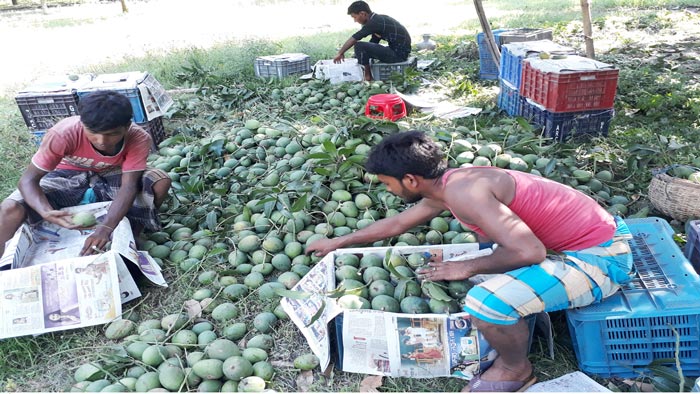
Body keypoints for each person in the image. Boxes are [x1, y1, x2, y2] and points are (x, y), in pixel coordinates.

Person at [307, 131, 634, 392]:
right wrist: (339, 242)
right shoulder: (450, 185)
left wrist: (469, 267)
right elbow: (397, 225)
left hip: (601, 258)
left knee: (482, 301)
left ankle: (516, 369)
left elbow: (530, 253)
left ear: (409, 180)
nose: (386, 189)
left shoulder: (466, 193)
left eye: (386, 182)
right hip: (584, 243)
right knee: (482, 270)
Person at [0, 90, 171, 258]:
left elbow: (129, 185)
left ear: (127, 126)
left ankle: (132, 233)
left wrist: (105, 229)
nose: (101, 141)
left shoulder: (138, 137)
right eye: (93, 133)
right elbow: (28, 180)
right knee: (10, 209)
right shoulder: (63, 134)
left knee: (159, 181)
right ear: (82, 124)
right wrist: (45, 211)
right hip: (66, 175)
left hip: (113, 174)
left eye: (112, 134)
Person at [334, 1, 411, 81]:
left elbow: (355, 37)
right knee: (361, 49)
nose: (355, 21)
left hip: (398, 55)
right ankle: (367, 74)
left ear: (362, 13)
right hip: (401, 52)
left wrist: (340, 53)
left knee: (359, 45)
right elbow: (374, 41)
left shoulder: (374, 22)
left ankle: (367, 77)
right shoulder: (378, 19)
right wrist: (359, 55)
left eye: (355, 17)